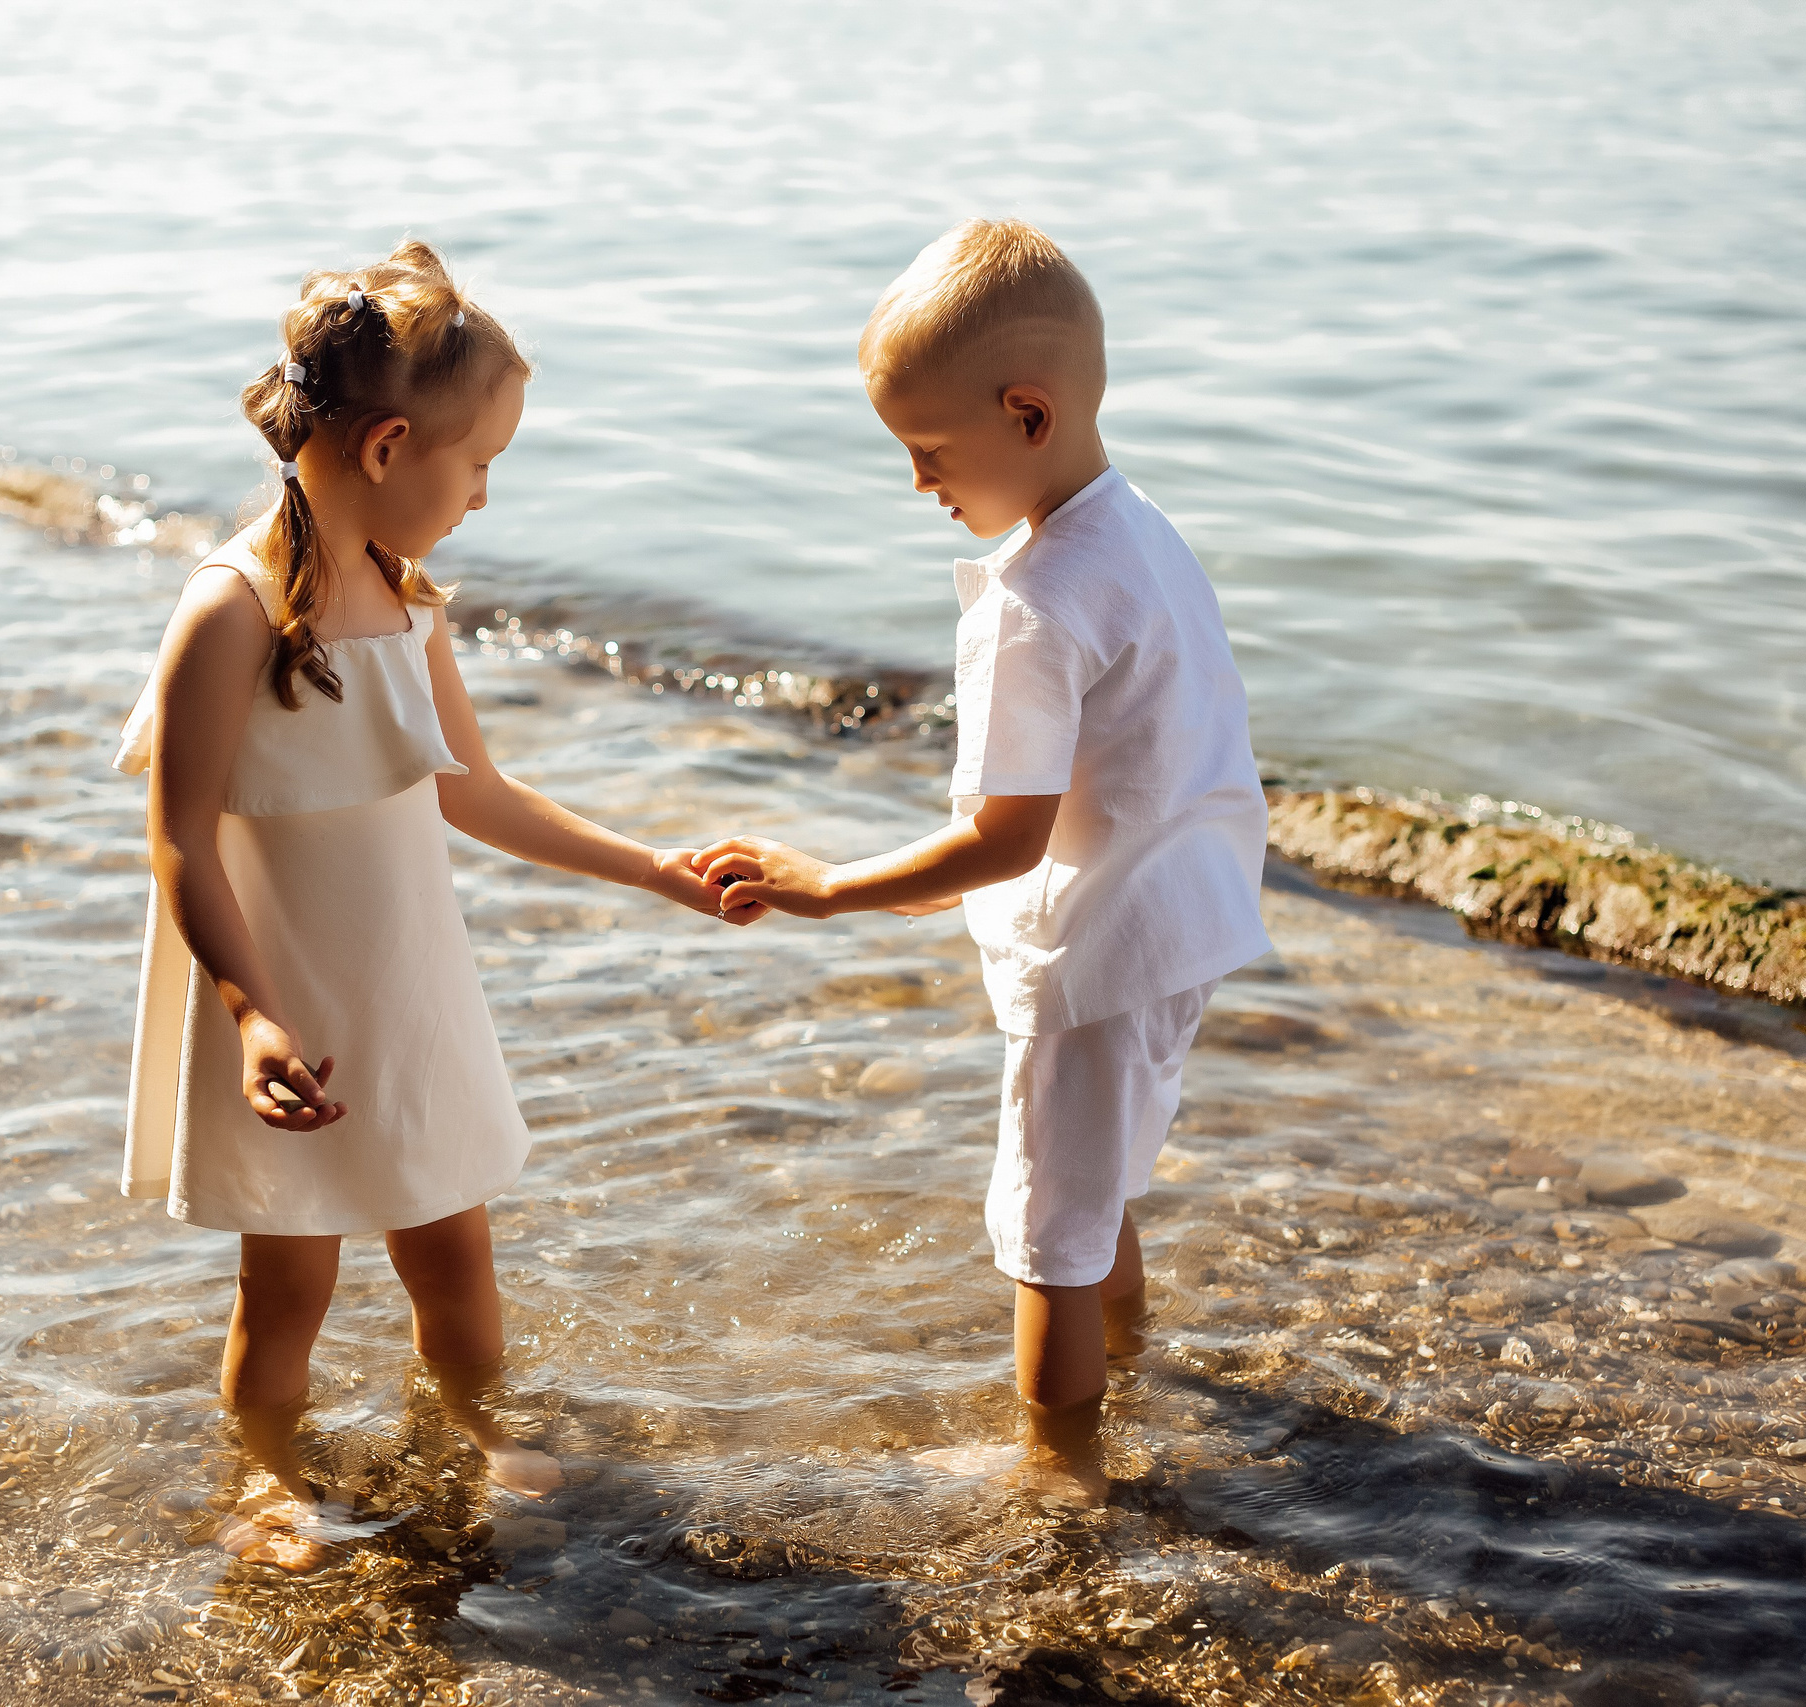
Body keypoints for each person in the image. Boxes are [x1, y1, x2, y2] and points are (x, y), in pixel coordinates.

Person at [115, 240, 718, 1545]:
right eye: (480, 463)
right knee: (292, 1274)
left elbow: (479, 793)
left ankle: (478, 1421)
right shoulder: (229, 610)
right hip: (286, 1000)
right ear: (389, 447)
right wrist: (251, 1015)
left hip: (409, 990)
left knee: (453, 1245)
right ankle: (265, 1469)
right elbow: (178, 840)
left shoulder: (407, 598)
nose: (486, 496)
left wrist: (651, 862)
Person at [697, 218, 1271, 1478]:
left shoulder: (1034, 599)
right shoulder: (1143, 532)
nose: (916, 483)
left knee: (1045, 1234)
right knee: (1098, 1187)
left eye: (927, 451)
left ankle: (1055, 1481)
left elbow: (1004, 839)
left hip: (1100, 947)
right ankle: (1126, 1372)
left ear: (1025, 413)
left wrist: (829, 887)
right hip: (1188, 917)